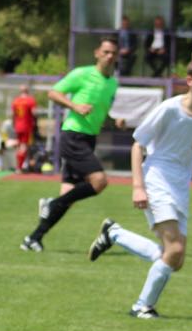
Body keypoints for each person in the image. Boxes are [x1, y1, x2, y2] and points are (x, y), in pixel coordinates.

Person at [87, 58, 192, 319]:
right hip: (156, 179)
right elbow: (138, 144)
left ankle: (114, 234)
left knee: (175, 260)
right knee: (175, 251)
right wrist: (138, 186)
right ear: (190, 81)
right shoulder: (169, 109)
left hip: (180, 186)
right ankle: (142, 306)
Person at [21, 37, 119, 252]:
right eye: (106, 52)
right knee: (99, 181)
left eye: (113, 53)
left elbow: (101, 111)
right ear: (97, 53)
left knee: (68, 194)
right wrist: (74, 105)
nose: (109, 56)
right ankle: (51, 204)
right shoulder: (82, 74)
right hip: (73, 136)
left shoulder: (113, 83)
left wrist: (114, 121)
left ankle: (33, 238)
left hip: (88, 138)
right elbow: (53, 93)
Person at [11, 85, 37, 173]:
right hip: (26, 126)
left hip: (17, 126)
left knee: (18, 146)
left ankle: (18, 166)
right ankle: (19, 167)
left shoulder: (16, 101)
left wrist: (13, 124)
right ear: (28, 91)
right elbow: (34, 113)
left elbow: (13, 114)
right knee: (24, 146)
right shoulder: (30, 100)